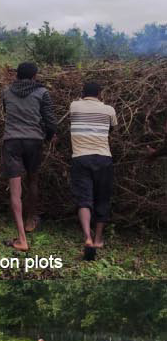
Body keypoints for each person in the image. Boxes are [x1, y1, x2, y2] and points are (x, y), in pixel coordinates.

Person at [1, 62, 58, 252]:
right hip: (34, 140)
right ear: (35, 76)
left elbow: (6, 112)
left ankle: (21, 237)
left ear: (17, 75)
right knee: (33, 180)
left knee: (15, 190)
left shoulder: (7, 91)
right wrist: (49, 136)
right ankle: (30, 220)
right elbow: (50, 121)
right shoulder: (42, 92)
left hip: (12, 141)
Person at [67, 81, 117, 260]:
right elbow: (111, 129)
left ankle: (87, 237)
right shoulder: (109, 110)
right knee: (102, 198)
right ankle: (97, 239)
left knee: (84, 198)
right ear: (100, 93)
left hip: (80, 158)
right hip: (104, 158)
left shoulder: (74, 106)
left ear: (82, 93)